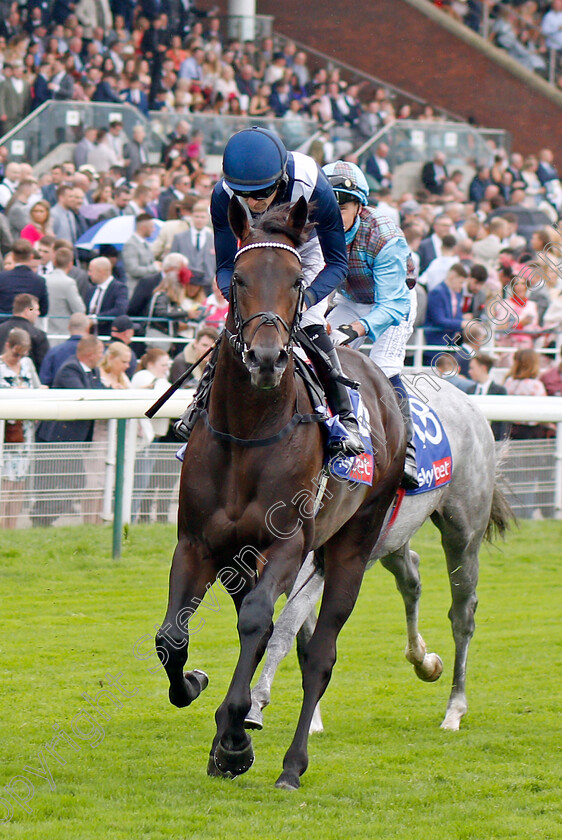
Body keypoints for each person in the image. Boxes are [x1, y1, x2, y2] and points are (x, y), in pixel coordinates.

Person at [174, 126, 363, 457]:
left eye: (261, 195)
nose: (252, 202)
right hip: (254, 251)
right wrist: (236, 297)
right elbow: (224, 266)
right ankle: (199, 403)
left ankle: (346, 420)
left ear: (281, 180)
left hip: (306, 249)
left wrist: (305, 298)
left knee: (306, 324)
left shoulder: (312, 183)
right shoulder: (223, 195)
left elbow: (336, 264)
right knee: (241, 324)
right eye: (245, 195)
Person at [321, 161, 418, 489]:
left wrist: (358, 329)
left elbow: (391, 303)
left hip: (394, 301)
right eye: (325, 206)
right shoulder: (310, 226)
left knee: (384, 367)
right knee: (320, 354)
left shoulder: (383, 233)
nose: (331, 216)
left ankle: (406, 451)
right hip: (349, 300)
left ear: (359, 207)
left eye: (342, 207)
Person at [32, 335, 105, 527]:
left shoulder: (93, 370)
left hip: (72, 439)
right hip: (56, 438)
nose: (102, 356)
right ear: (90, 354)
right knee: (58, 482)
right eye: (100, 352)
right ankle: (40, 518)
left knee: (73, 482)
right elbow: (85, 397)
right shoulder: (69, 369)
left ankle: (42, 518)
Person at [0, 328, 41, 528]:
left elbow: (37, 388)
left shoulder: (28, 365)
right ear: (8, 346)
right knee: (6, 481)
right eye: (16, 354)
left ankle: (12, 527)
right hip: (4, 434)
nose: (19, 358)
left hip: (25, 432)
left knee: (20, 481)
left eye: (23, 354)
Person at [130, 347, 173, 523]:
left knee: (143, 483)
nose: (166, 368)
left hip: (153, 438)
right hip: (142, 440)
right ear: (151, 364)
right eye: (163, 364)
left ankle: (131, 519)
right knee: (139, 483)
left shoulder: (157, 378)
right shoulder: (144, 376)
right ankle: (129, 519)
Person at [44, 246, 86, 341]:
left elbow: (32, 307)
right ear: (70, 264)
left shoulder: (43, 279)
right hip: (62, 334)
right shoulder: (69, 283)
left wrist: (31, 310)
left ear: (54, 262)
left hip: (45, 330)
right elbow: (79, 309)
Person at [0, 238, 48, 320]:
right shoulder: (39, 281)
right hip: (27, 326)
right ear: (31, 257)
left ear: (13, 256)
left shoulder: (2, 278)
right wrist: (30, 310)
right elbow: (42, 310)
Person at [39, 312, 92, 386]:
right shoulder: (94, 353)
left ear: (68, 327)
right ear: (88, 328)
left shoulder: (53, 352)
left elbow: (45, 380)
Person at [0, 293, 50, 371]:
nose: (38, 313)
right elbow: (44, 364)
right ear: (28, 310)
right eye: (36, 310)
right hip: (27, 378)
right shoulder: (38, 335)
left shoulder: (1, 329)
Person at [467, 353, 509, 441]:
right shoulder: (469, 390)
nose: (469, 372)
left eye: (472, 368)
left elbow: (503, 421)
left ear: (483, 368)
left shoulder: (499, 391)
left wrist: (502, 442)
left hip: (493, 438)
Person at [85, 256, 129, 333]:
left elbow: (120, 310)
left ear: (101, 272)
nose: (89, 274)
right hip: (90, 338)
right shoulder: (91, 290)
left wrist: (96, 319)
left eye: (91, 271)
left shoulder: (119, 288)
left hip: (108, 336)